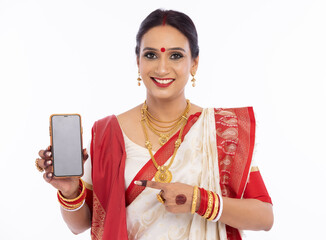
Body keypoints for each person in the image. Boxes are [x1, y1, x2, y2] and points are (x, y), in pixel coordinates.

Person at [36, 9, 273, 240]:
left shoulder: (221, 130)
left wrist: (200, 201)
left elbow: (264, 217)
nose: (161, 68)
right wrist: (69, 191)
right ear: (137, 61)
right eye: (151, 55)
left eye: (176, 55)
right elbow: (82, 225)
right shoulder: (109, 132)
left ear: (194, 63)